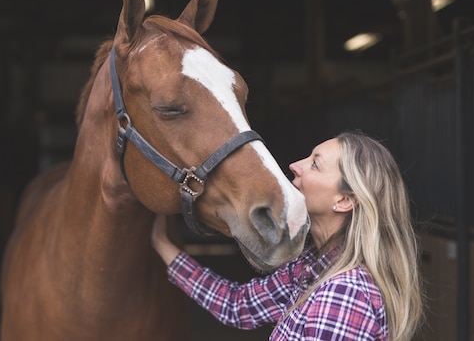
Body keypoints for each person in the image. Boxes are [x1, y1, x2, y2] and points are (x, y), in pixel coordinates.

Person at [151, 130, 424, 341]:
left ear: (344, 201)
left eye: (315, 165)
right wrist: (163, 244)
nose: (295, 165)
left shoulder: (343, 294)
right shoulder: (311, 267)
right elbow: (239, 305)